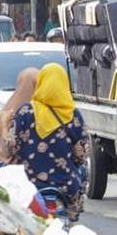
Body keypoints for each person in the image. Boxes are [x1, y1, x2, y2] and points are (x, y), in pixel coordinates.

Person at [12, 64, 90, 221]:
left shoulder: (25, 112)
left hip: (28, 184)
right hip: (66, 186)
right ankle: (73, 215)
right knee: (83, 172)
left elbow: (12, 147)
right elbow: (82, 154)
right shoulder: (73, 116)